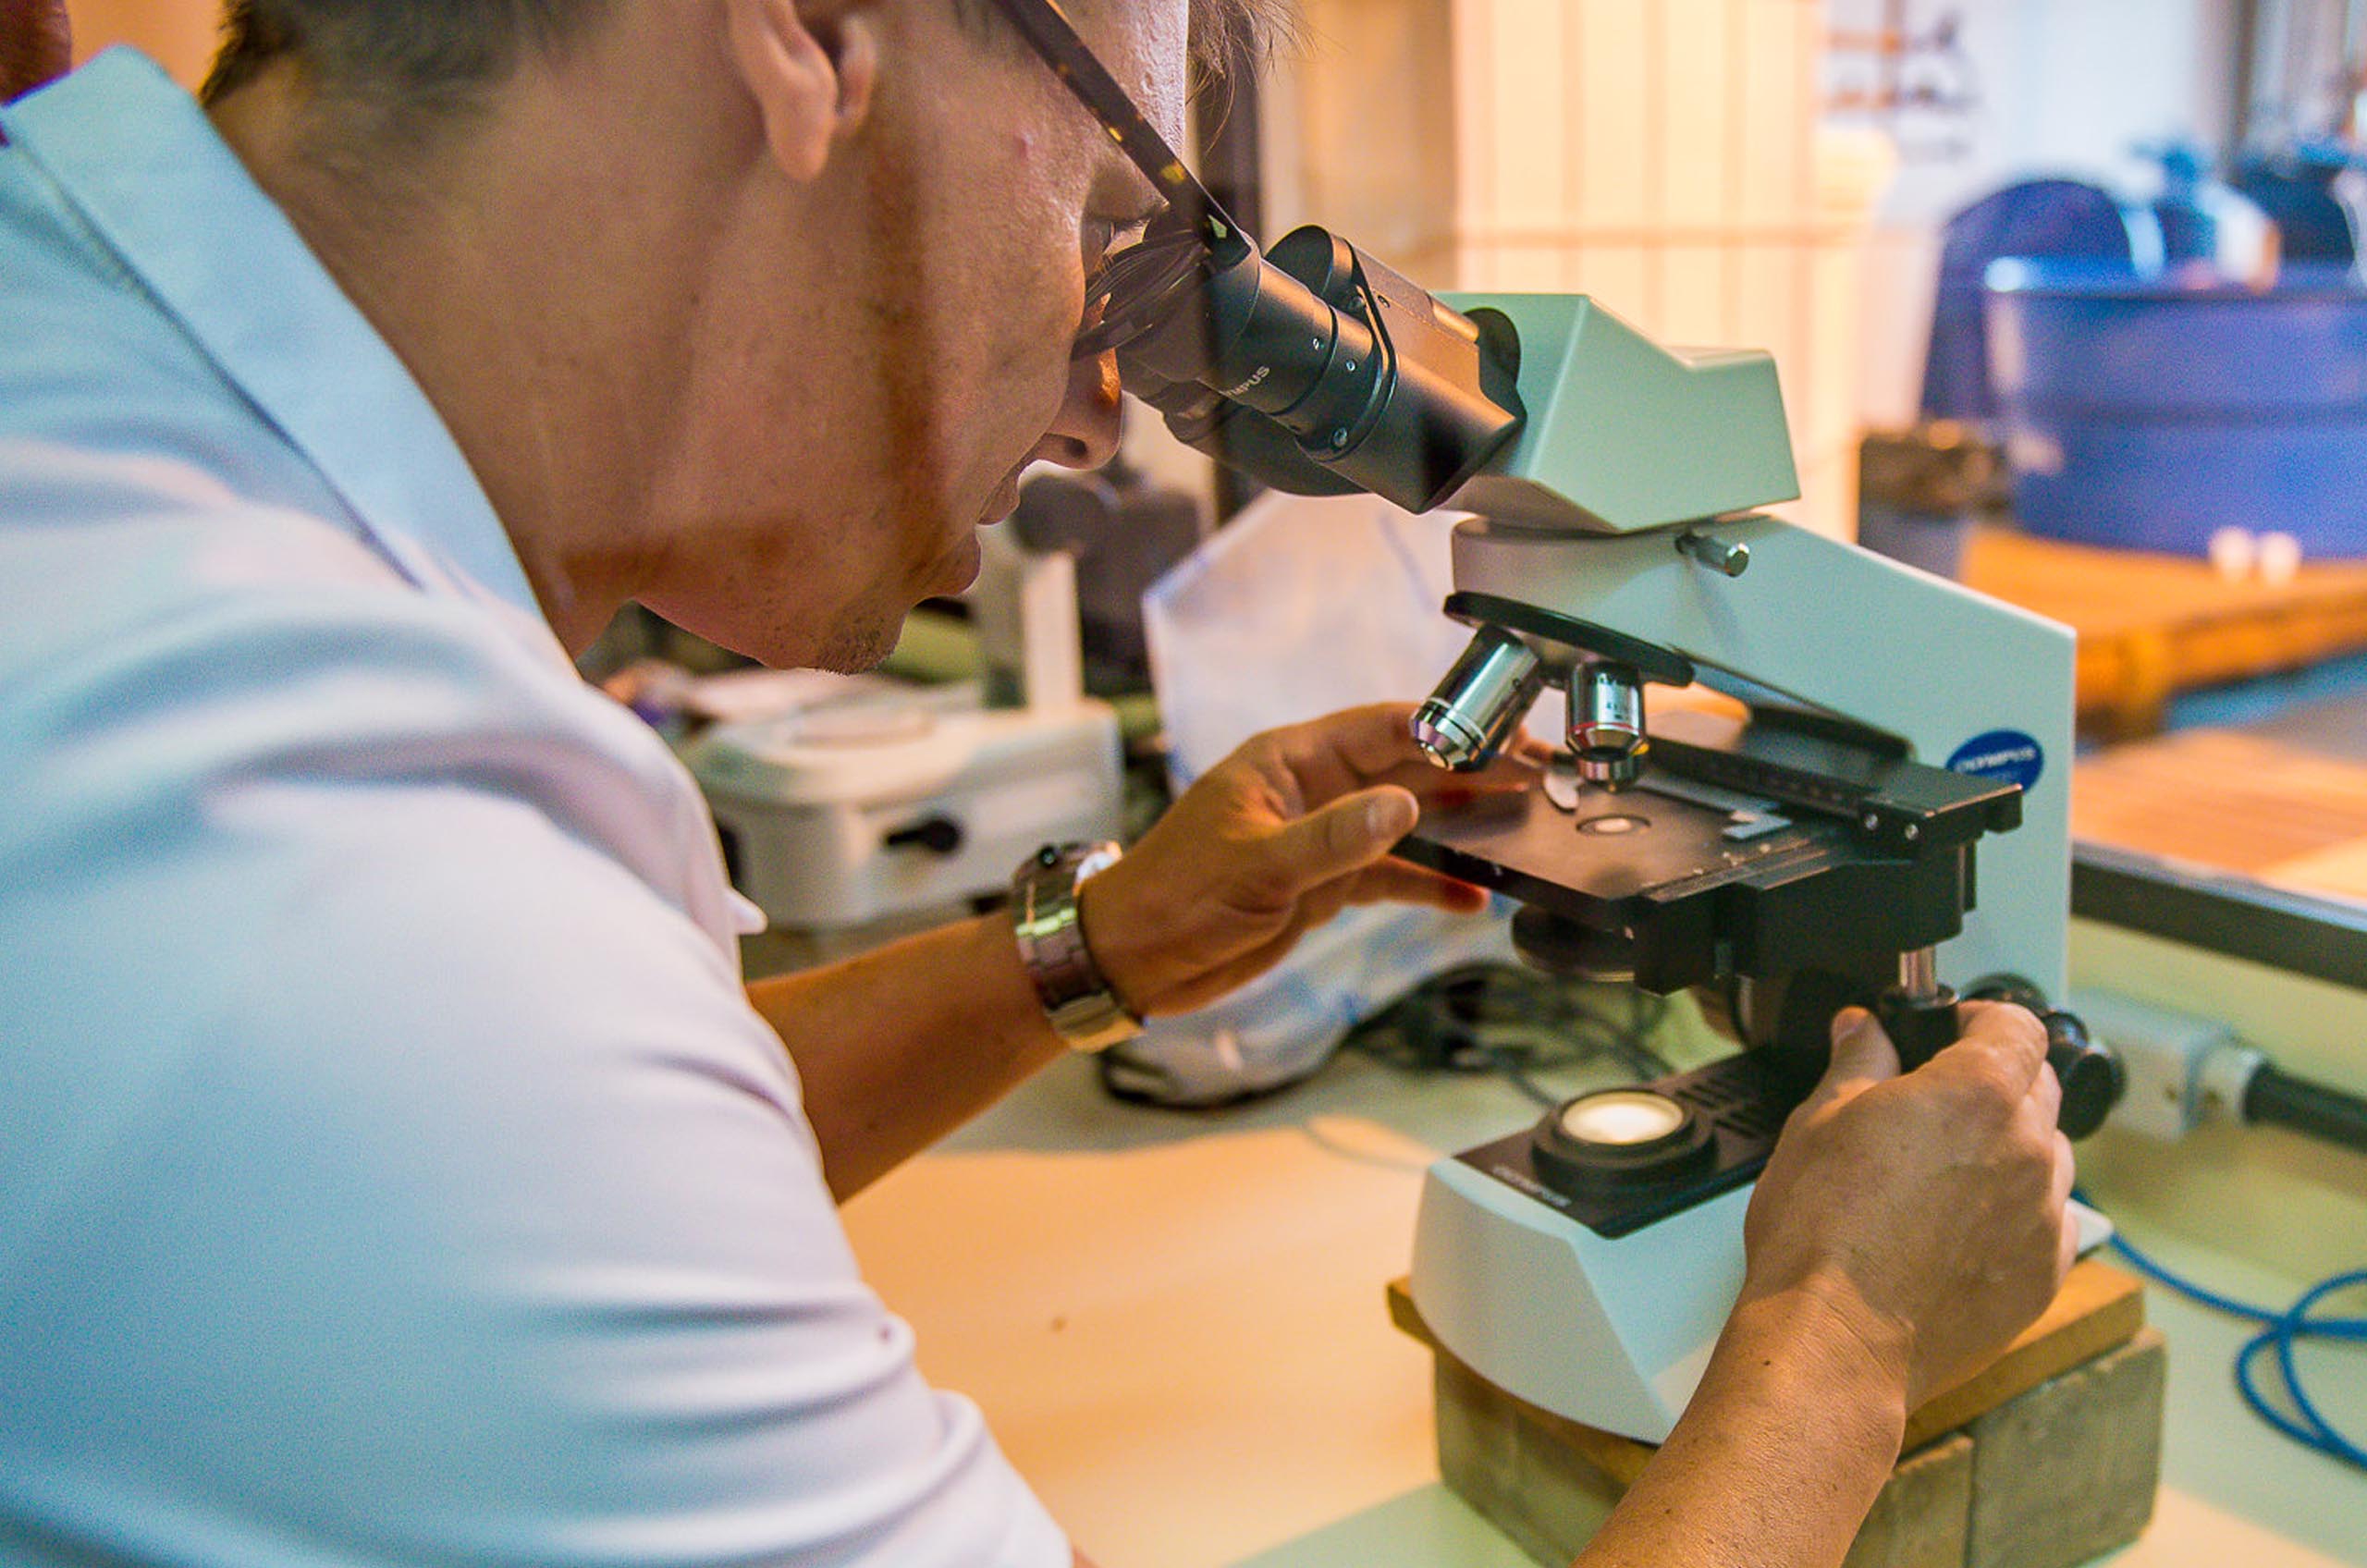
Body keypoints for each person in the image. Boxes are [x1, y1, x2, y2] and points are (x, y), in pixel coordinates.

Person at [0, 3, 2077, 1565]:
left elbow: (594, 1128)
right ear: (806, 33)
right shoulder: (337, 886)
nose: (1104, 417)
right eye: (1110, 230)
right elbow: (484, 1101)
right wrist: (1838, 1334)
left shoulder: (111, 450)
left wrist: (1091, 952)